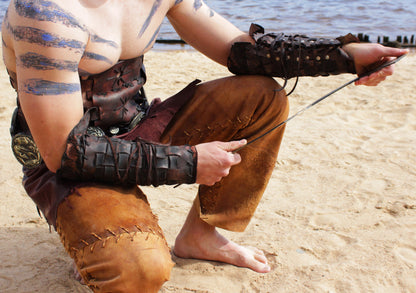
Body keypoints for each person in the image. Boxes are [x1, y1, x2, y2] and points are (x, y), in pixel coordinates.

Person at [2, 0, 407, 292]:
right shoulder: (45, 14)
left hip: (140, 126)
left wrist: (344, 55)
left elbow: (239, 49)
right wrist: (189, 162)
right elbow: (66, 153)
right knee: (137, 271)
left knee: (261, 97)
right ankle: (99, 228)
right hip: (67, 161)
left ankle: (202, 236)